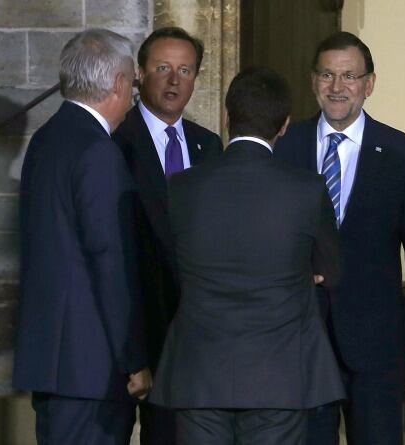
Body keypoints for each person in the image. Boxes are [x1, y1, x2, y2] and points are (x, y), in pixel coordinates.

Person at [148, 67, 345, 445]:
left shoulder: (182, 187)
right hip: (280, 376)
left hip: (199, 374)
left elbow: (170, 264)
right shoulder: (306, 189)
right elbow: (332, 269)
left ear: (226, 118)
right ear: (284, 125)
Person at [274, 31, 405, 445]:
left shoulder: (403, 153)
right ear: (313, 80)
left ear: (369, 84)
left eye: (349, 77)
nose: (337, 87)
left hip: (377, 345)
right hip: (299, 341)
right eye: (328, 75)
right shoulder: (284, 146)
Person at [13, 28, 151, 445]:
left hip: (56, 365)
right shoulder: (98, 152)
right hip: (90, 368)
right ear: (118, 83)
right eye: (135, 81)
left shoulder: (46, 138)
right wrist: (135, 359)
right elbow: (109, 260)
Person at [112, 26, 223, 444]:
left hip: (195, 339)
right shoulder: (115, 142)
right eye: (163, 68)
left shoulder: (208, 147)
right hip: (133, 335)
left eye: (185, 70)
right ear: (140, 74)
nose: (175, 80)